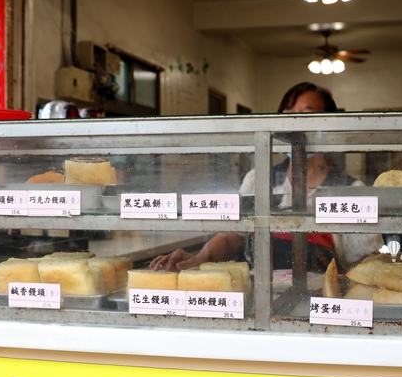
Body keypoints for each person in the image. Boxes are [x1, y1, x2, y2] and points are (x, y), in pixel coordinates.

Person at [151, 83, 381, 272]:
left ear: (329, 126)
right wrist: (200, 259)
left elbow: (367, 259)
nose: (294, 123)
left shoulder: (349, 190)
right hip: (261, 300)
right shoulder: (259, 179)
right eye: (288, 115)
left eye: (307, 114)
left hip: (320, 304)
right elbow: (234, 236)